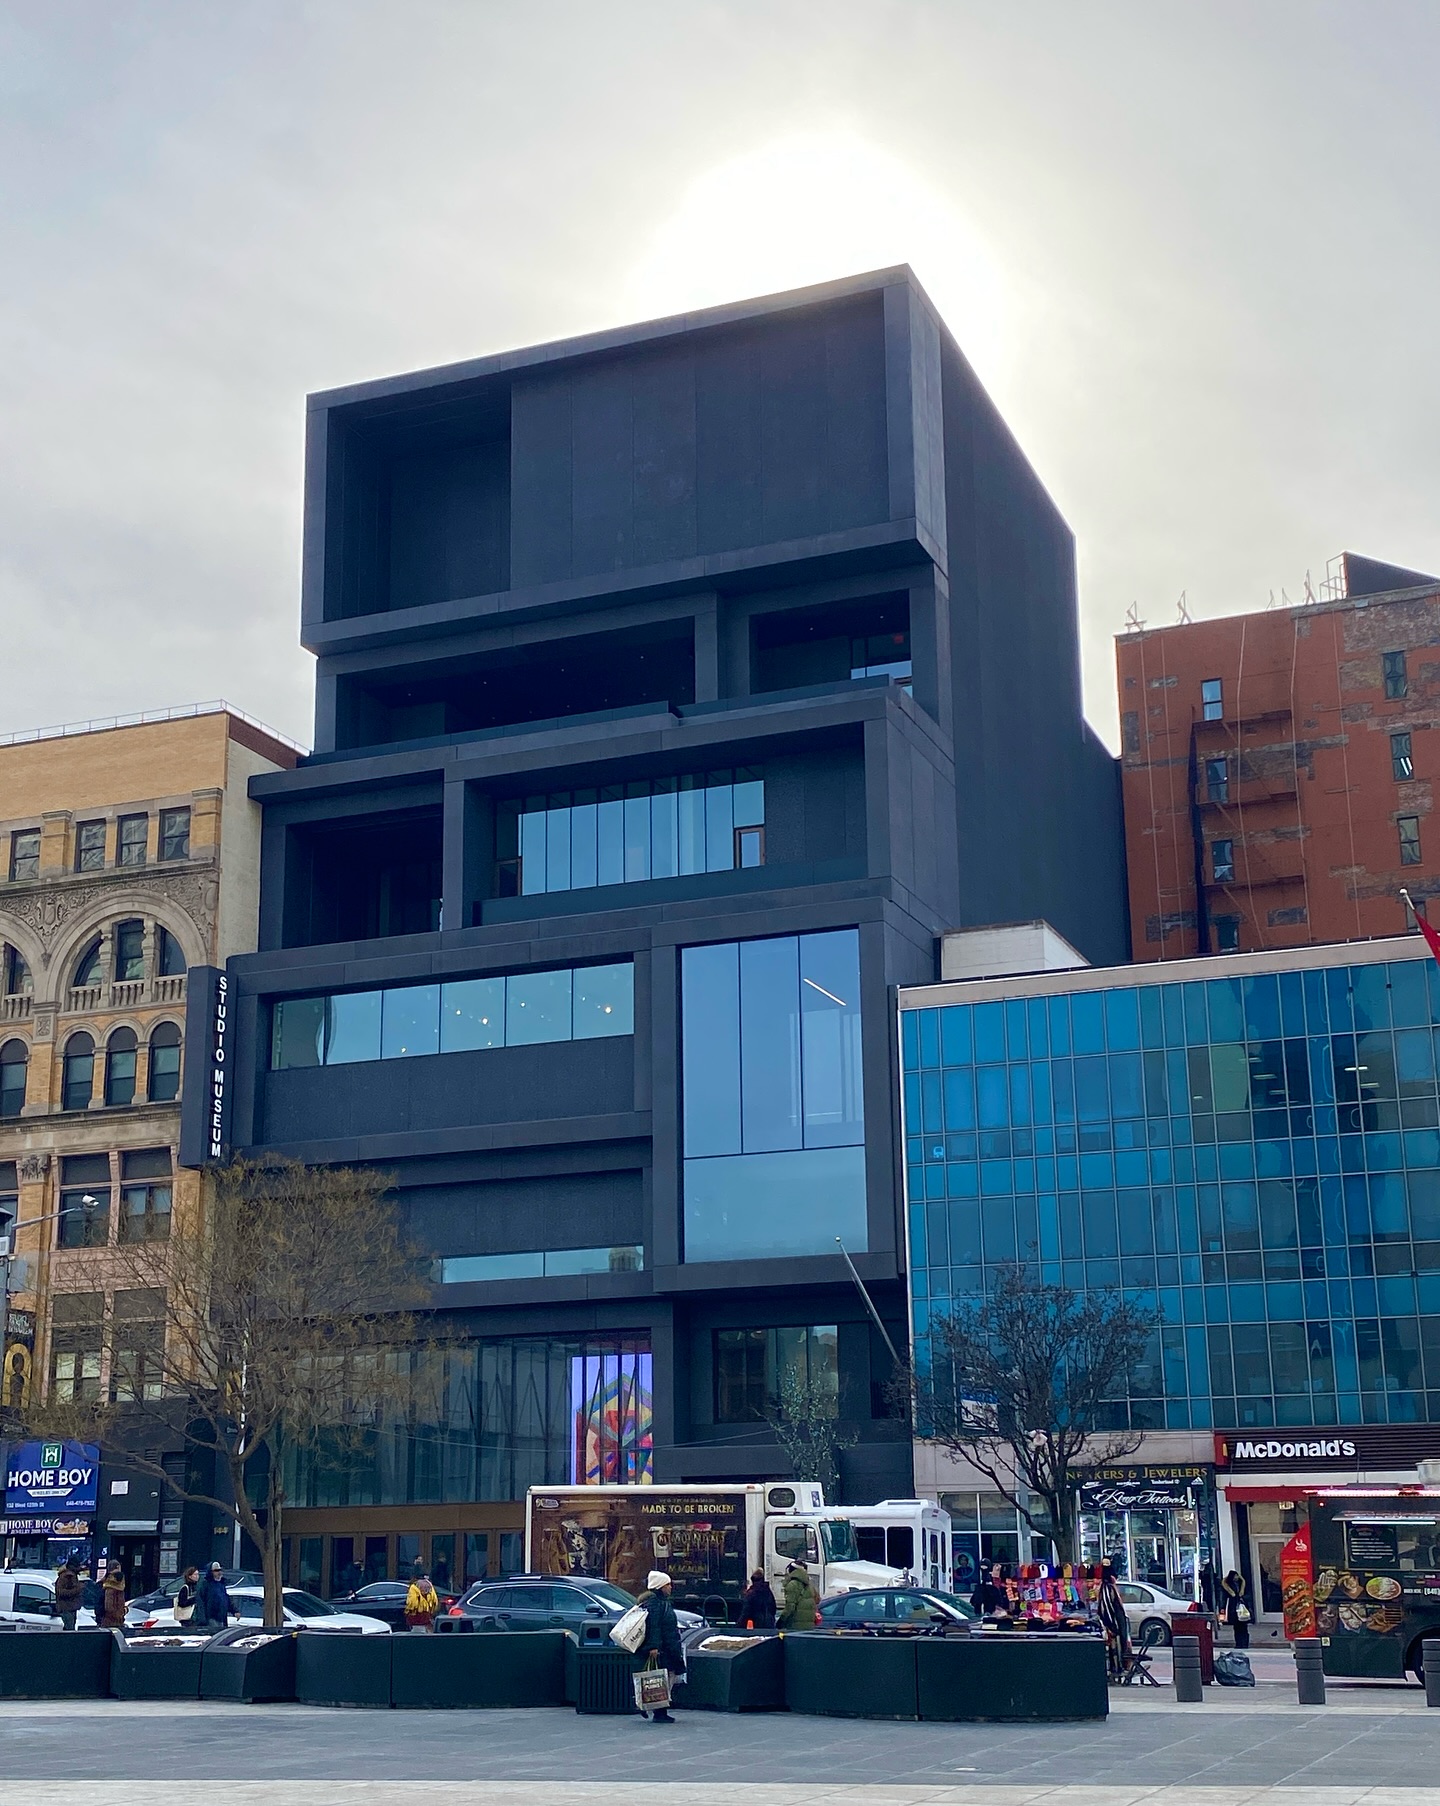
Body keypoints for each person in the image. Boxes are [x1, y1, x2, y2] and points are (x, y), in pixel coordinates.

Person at [636, 1570, 686, 1724]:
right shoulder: (656, 1604)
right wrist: (654, 1646)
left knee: (662, 1677)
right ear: (660, 1586)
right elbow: (654, 1626)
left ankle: (656, 1708)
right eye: (667, 1584)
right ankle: (657, 1709)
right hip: (663, 1647)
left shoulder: (659, 1602)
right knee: (663, 1678)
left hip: (665, 1645)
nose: (671, 1587)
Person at [1095, 1563, 1132, 1679]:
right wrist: (1111, 1626)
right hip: (1114, 1625)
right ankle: (1116, 1668)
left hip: (1117, 1623)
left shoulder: (1109, 1588)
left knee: (1119, 1647)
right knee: (1115, 1648)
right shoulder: (1107, 1588)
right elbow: (1106, 1608)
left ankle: (1119, 1667)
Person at [192, 1562, 234, 1632]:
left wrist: (234, 1610)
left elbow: (226, 1599)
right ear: (211, 1572)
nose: (219, 1572)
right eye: (216, 1571)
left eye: (220, 1570)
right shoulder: (205, 1585)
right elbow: (200, 1602)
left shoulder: (221, 1584)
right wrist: (202, 1619)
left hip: (221, 1618)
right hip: (211, 1618)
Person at [778, 1561, 818, 1630]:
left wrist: (781, 1621)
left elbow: (790, 1607)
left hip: (795, 1626)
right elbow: (817, 1599)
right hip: (809, 1626)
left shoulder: (793, 1585)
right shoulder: (810, 1585)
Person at [1221, 1569, 1251, 1648]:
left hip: (1242, 1607)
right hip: (1233, 1608)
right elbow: (1224, 1597)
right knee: (1237, 1628)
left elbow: (1248, 1594)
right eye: (1235, 1576)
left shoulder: (1242, 1583)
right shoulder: (1228, 1585)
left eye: (1237, 1575)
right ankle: (1239, 1643)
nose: (1236, 1577)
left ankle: (1245, 1643)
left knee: (1244, 1627)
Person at [405, 1567, 440, 1632]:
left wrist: (410, 1611)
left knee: (416, 1632)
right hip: (427, 1613)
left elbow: (412, 1602)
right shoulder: (429, 1585)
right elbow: (434, 1599)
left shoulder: (414, 1586)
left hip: (417, 1614)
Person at [53, 1559, 82, 1631]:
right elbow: (60, 1592)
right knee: (69, 1632)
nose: (79, 1568)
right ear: (72, 1566)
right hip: (67, 1609)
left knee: (70, 1630)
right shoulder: (66, 1577)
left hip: (71, 1608)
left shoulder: (72, 1576)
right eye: (77, 1566)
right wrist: (77, 1589)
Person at [99, 1563, 128, 1630]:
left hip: (117, 1622)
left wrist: (124, 1610)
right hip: (112, 1623)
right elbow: (109, 1607)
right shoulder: (111, 1589)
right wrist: (121, 1613)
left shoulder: (118, 1589)